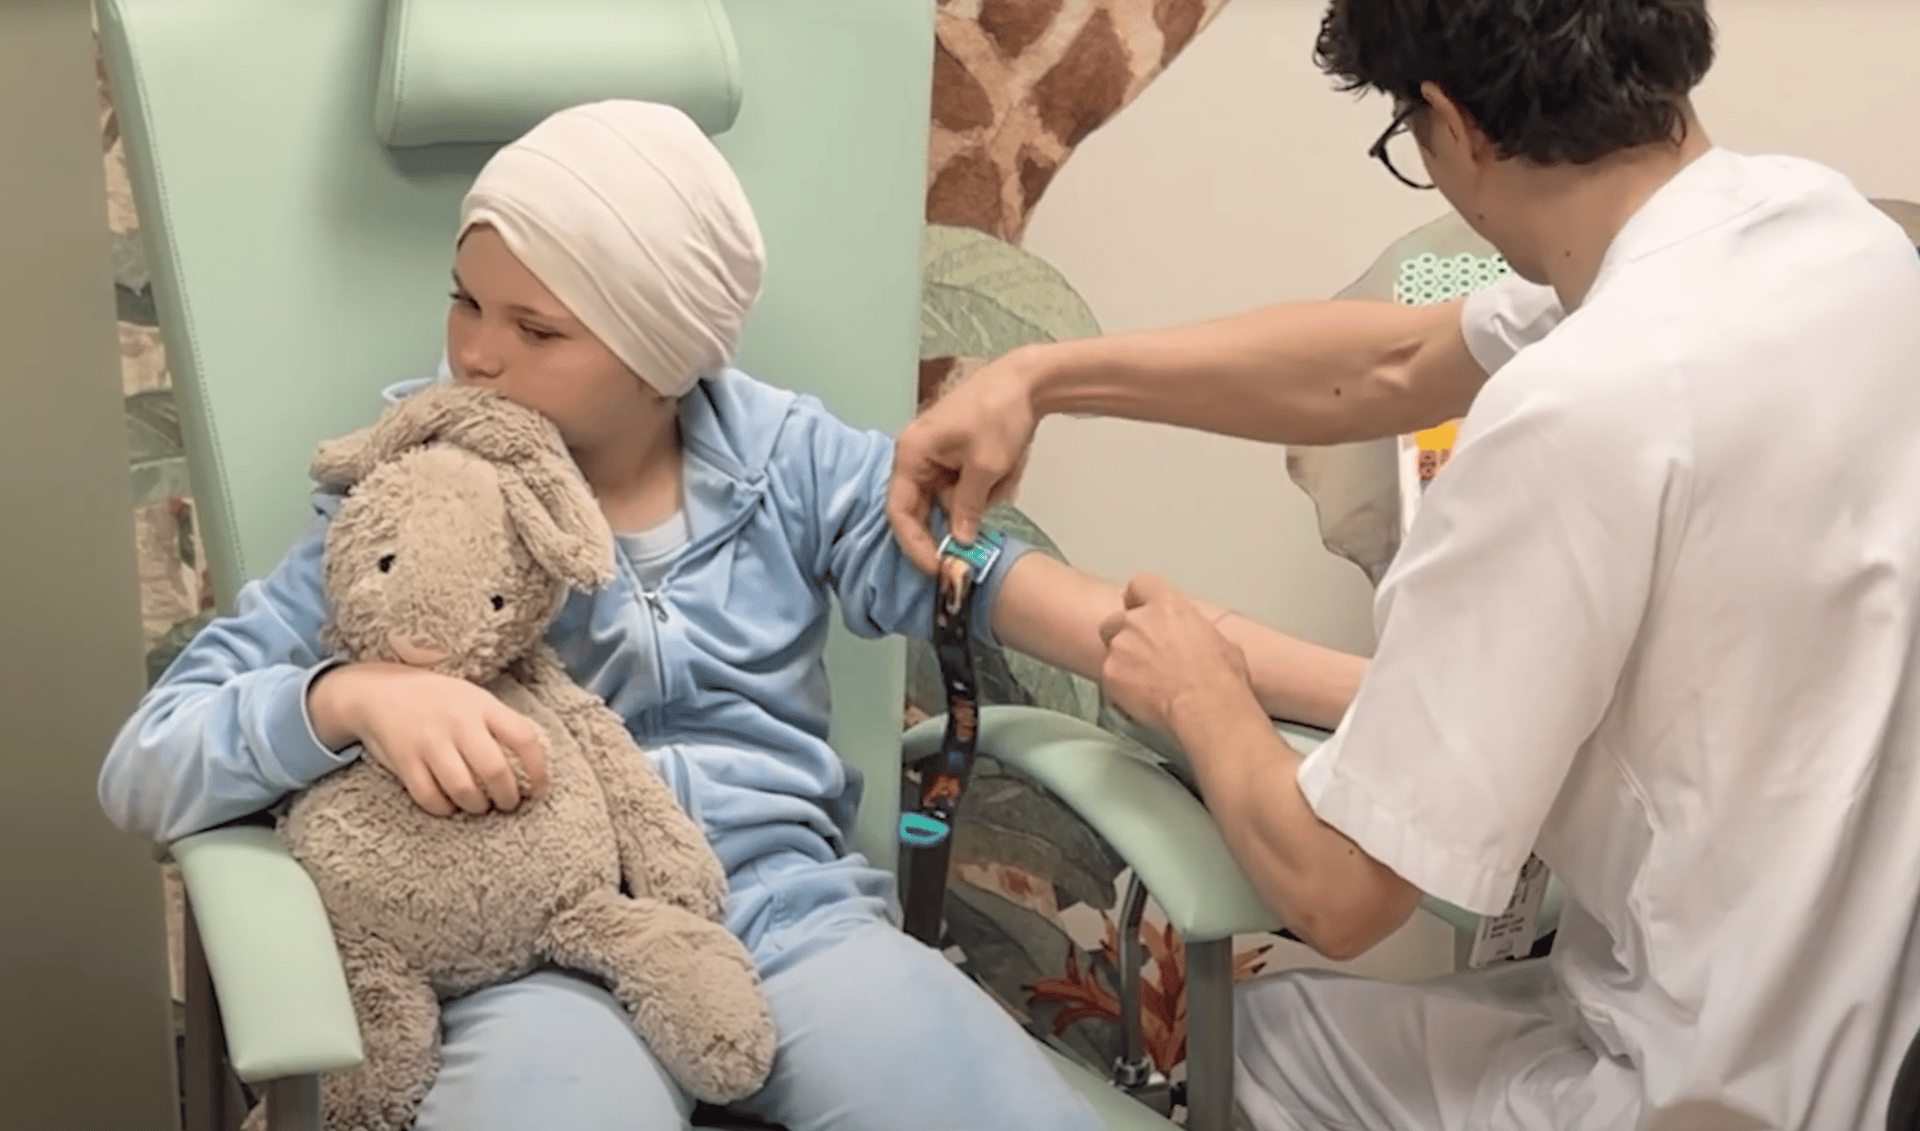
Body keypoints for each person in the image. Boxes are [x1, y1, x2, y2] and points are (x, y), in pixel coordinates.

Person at [96, 100, 1349, 1131]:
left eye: (535, 327)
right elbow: (148, 760)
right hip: (532, 960)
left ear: (666, 352)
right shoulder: (410, 497)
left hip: (789, 920)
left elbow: (1094, 621)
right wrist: (349, 697)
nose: (474, 355)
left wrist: (1371, 695)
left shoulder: (794, 468)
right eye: (465, 301)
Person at [887, 1, 1920, 1128]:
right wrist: (1041, 375)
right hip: (1860, 1031)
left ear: (1452, 121)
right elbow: (1390, 366)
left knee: (1255, 1037)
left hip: (1694, 1090)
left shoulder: (1572, 415)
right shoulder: (1839, 241)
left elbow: (1340, 891)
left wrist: (1203, 695)